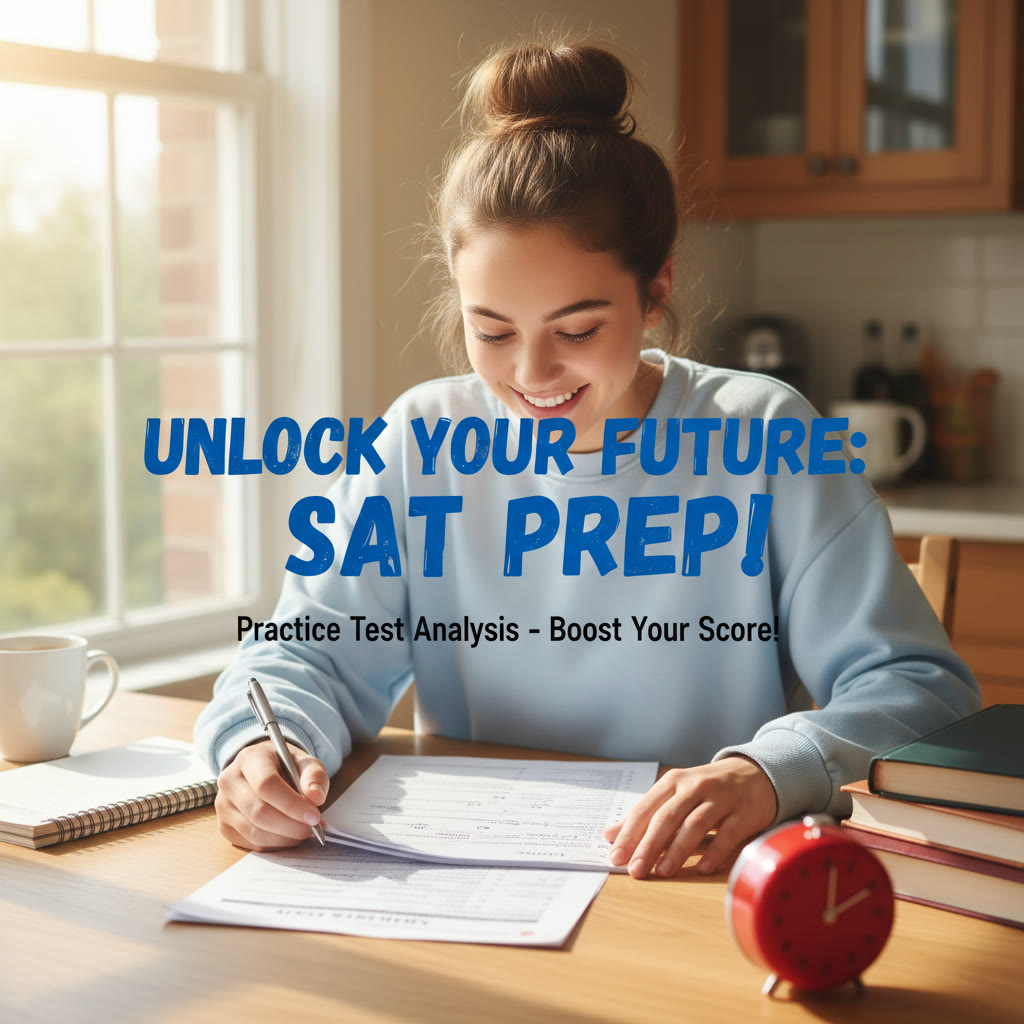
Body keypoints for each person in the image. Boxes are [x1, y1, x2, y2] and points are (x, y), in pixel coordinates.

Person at [196, 39, 980, 878]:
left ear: (656, 293)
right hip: (470, 883)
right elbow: (303, 653)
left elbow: (922, 693)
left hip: (690, 884)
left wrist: (766, 771)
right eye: (491, 330)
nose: (531, 377)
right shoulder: (418, 442)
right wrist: (256, 750)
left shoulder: (763, 436)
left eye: (576, 331)